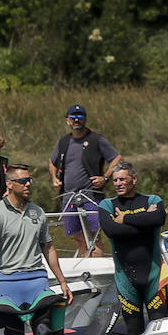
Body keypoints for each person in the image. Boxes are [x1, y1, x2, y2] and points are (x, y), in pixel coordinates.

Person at [0, 164, 74, 335]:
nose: (28, 184)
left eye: (30, 180)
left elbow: (49, 248)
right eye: (23, 181)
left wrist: (63, 282)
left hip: (38, 282)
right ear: (10, 184)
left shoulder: (37, 212)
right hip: (9, 285)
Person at [96, 162, 168, 335]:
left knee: (160, 331)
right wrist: (144, 220)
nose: (118, 184)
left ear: (134, 179)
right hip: (126, 280)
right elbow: (112, 231)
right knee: (133, 332)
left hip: (155, 277)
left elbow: (158, 219)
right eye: (115, 180)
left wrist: (125, 219)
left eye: (122, 179)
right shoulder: (107, 205)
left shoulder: (153, 200)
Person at [48, 104, 120, 257]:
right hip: (68, 197)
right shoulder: (63, 142)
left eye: (80, 116)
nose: (76, 119)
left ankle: (97, 270)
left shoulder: (97, 139)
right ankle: (84, 271)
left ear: (85, 119)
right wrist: (54, 178)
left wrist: (105, 177)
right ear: (67, 120)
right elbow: (52, 162)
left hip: (91, 196)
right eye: (73, 116)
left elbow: (117, 159)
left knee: (94, 237)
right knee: (79, 238)